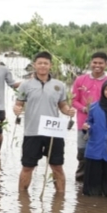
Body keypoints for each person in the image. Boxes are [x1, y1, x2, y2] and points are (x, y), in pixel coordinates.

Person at [13, 51, 75, 194]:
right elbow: (19, 103)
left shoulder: (59, 85)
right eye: (39, 63)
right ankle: (22, 201)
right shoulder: (25, 85)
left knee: (57, 166)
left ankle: (60, 199)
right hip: (32, 131)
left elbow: (62, 105)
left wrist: (68, 111)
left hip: (53, 132)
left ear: (50, 66)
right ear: (34, 65)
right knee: (27, 166)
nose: (42, 66)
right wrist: (16, 108)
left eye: (45, 63)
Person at [71, 52, 107, 182]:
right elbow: (73, 100)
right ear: (90, 63)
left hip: (101, 124)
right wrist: (83, 108)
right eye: (95, 62)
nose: (97, 65)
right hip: (82, 123)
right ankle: (80, 182)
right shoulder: (80, 80)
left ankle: (95, 180)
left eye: (101, 63)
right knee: (82, 152)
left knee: (99, 151)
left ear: (106, 65)